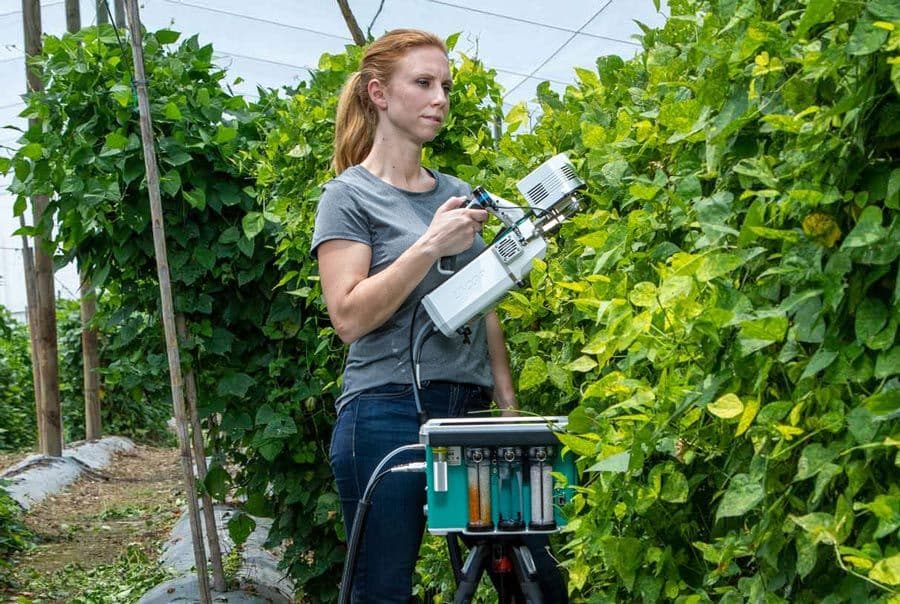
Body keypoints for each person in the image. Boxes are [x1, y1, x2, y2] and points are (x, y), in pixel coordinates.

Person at [310, 29, 567, 603]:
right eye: (423, 83)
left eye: (445, 85)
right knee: (383, 590)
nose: (440, 98)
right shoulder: (348, 197)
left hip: (469, 411)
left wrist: (508, 411)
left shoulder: (453, 192)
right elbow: (349, 317)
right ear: (378, 93)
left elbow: (486, 304)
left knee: (530, 582)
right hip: (384, 411)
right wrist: (428, 245)